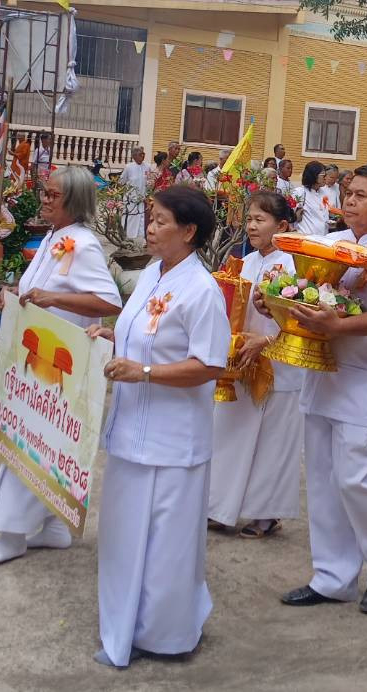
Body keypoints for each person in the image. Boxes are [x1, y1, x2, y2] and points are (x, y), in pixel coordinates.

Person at [93, 185, 230, 667]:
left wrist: (143, 372)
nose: (150, 228)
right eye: (149, 218)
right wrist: (111, 337)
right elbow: (143, 337)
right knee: (125, 538)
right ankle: (124, 621)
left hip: (174, 443)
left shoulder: (202, 290)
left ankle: (167, 634)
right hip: (131, 433)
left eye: (161, 221)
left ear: (189, 232)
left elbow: (209, 365)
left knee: (168, 545)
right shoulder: (152, 274)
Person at [274, 164, 367, 615]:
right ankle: (332, 576)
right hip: (323, 372)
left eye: (360, 195)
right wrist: (274, 299)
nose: (349, 200)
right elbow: (304, 291)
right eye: (348, 193)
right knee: (321, 477)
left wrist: (339, 323)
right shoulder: (330, 244)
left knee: (356, 477)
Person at [0, 167, 124, 564]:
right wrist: (11, 296)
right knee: (45, 443)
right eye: (44, 192)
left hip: (58, 363)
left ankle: (11, 534)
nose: (43, 199)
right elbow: (36, 291)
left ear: (73, 201)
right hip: (35, 360)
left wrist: (54, 300)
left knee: (33, 445)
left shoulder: (83, 244)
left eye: (52, 195)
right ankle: (54, 527)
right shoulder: (55, 238)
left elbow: (109, 303)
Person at [208, 191, 302, 539]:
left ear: (283, 226)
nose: (251, 226)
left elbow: (299, 319)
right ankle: (220, 507)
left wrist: (265, 341)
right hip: (242, 362)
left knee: (274, 440)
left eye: (259, 220)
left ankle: (266, 514)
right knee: (230, 432)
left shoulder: (295, 265)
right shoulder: (246, 263)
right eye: (249, 219)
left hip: (281, 362)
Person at [120, 146, 149, 240]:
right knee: (130, 219)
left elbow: (150, 180)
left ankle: (141, 240)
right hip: (131, 200)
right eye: (141, 154)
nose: (143, 156)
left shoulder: (147, 166)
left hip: (142, 198)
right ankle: (128, 239)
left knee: (141, 219)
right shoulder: (129, 167)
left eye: (143, 154)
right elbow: (121, 181)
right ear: (134, 156)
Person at [295, 161, 328, 236]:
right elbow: (291, 216)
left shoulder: (323, 193)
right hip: (306, 237)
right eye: (323, 175)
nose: (325, 178)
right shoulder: (300, 192)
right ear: (314, 175)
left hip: (323, 238)